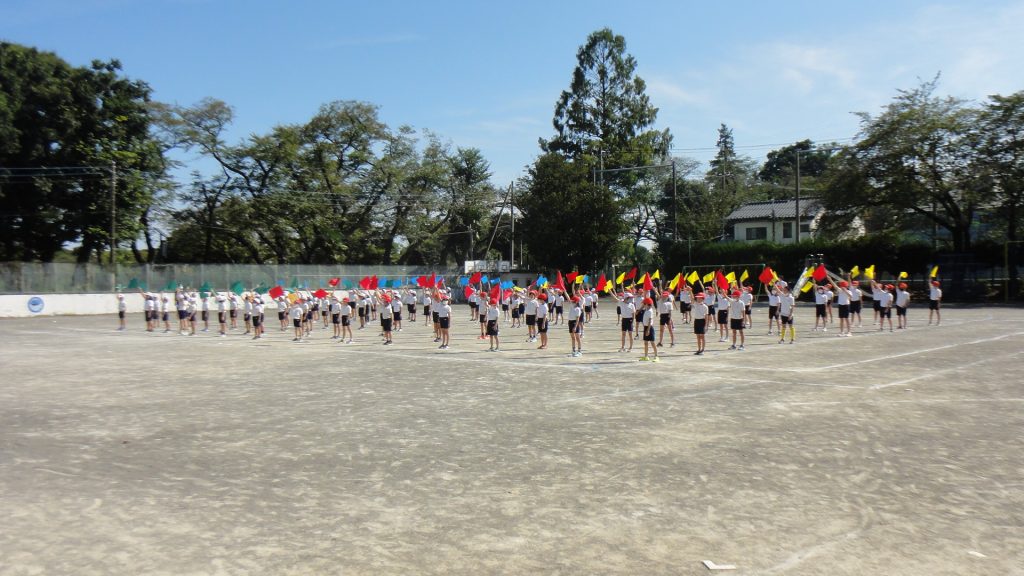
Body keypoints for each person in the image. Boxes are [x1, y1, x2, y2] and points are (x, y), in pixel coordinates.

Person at [639, 297, 659, 361]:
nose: (643, 305)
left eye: (644, 304)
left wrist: (648, 330)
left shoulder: (650, 311)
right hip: (646, 327)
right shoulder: (646, 310)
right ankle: (646, 356)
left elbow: (650, 321)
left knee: (652, 343)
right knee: (645, 343)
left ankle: (656, 356)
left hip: (649, 328)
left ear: (647, 304)